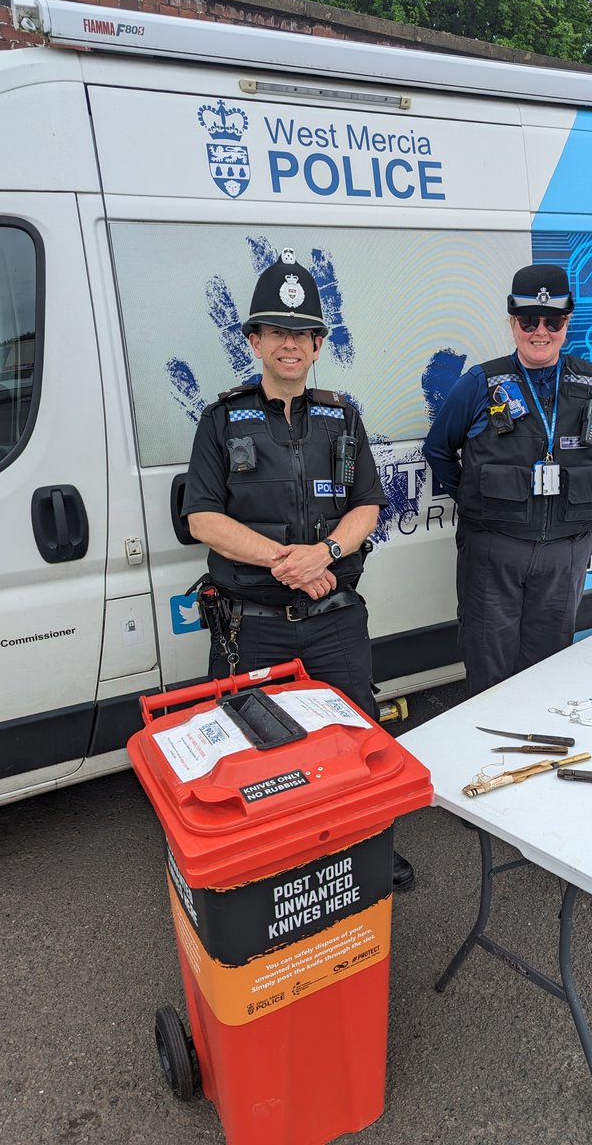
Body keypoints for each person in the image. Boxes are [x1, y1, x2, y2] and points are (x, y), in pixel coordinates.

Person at [183, 248, 414, 890]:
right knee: (252, 748)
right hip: (251, 624)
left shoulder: (343, 417)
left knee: (357, 739)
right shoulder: (222, 420)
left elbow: (369, 504)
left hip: (333, 618)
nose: (290, 345)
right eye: (277, 332)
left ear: (318, 346)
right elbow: (203, 518)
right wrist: (288, 562)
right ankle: (266, 867)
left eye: (303, 334)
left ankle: (366, 851)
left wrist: (328, 555)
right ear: (254, 340)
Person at [423, 263, 592, 696]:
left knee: (547, 677)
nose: (540, 331)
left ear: (567, 322)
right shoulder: (479, 383)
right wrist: (474, 497)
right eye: (529, 320)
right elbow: (437, 449)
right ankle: (489, 763)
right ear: (513, 321)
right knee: (488, 674)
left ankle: (540, 758)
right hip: (493, 552)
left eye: (552, 321)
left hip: (562, 557)